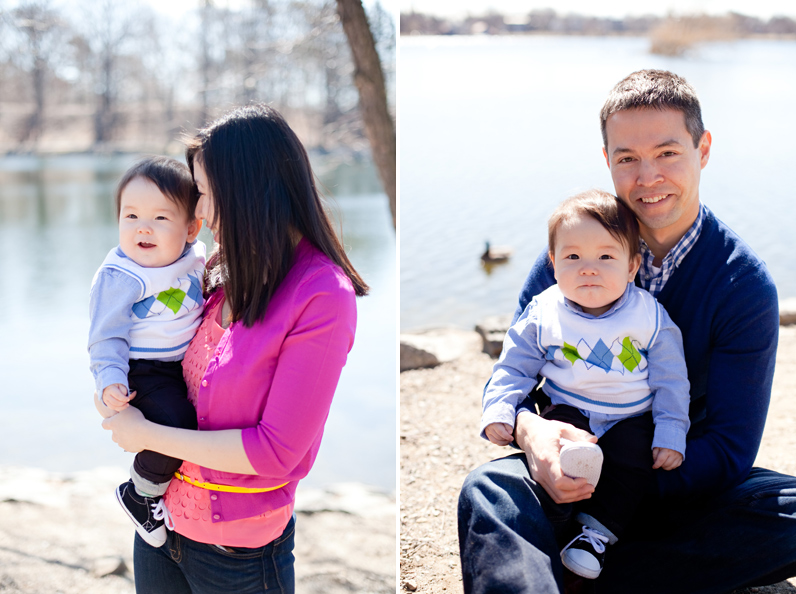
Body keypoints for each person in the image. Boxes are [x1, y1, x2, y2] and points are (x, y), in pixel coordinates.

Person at [458, 69, 796, 594]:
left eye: (667, 153)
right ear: (607, 161)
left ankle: (588, 571)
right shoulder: (572, 257)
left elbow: (729, 449)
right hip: (573, 471)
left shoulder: (742, 287)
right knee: (488, 491)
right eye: (627, 159)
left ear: (702, 149)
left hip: (675, 480)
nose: (648, 177)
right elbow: (516, 375)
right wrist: (532, 435)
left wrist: (626, 479)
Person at [96, 103, 369, 594]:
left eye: (202, 193)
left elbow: (275, 451)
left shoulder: (322, 295)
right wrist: (110, 388)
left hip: (237, 554)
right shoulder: (221, 267)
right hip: (161, 529)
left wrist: (148, 435)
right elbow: (149, 346)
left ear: (246, 187)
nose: (196, 210)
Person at [481, 189, 690, 580]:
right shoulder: (543, 312)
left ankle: (594, 534)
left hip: (632, 414)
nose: (588, 268)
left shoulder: (649, 317)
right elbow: (513, 367)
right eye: (573, 257)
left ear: (632, 266)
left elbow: (671, 381)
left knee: (633, 463)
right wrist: (500, 409)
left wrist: (672, 431)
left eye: (606, 257)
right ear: (554, 264)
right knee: (560, 445)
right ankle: (556, 514)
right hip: (570, 409)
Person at [89, 156, 204, 548]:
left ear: (191, 228)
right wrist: (109, 381)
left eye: (160, 218)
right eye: (131, 215)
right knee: (177, 424)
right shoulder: (122, 276)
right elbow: (106, 337)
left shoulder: (196, 256)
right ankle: (140, 493)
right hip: (142, 369)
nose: (143, 227)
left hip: (178, 367)